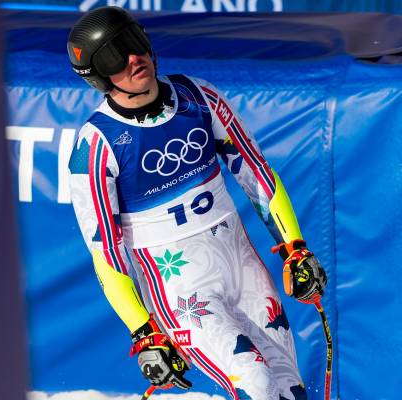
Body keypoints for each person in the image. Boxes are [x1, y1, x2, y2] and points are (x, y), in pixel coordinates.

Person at [66, 7, 327, 400]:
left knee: (289, 389)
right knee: (256, 382)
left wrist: (295, 247)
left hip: (241, 267)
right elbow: (106, 251)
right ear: (97, 76)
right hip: (179, 288)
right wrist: (143, 331)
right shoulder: (96, 145)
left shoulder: (197, 96)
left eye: (135, 42)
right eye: (113, 57)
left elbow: (255, 172)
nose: (133, 58)